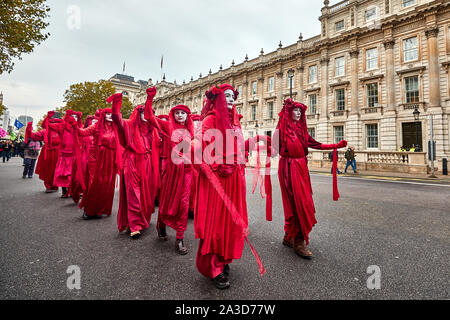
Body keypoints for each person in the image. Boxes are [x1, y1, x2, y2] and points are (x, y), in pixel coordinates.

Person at [194, 84, 269, 290]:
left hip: (235, 179)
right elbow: (196, 149)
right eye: (226, 95)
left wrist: (256, 141)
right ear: (217, 98)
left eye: (233, 96)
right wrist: (215, 166)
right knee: (216, 224)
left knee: (230, 224)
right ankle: (213, 267)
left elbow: (238, 147)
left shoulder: (235, 123)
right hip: (218, 180)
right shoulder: (210, 120)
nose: (231, 99)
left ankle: (224, 260)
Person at [273, 98, 347, 259]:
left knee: (303, 202)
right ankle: (298, 240)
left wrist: (336, 146)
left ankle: (289, 236)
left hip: (301, 168)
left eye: (301, 111)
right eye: (295, 110)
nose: (299, 113)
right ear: (288, 112)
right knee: (297, 204)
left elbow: (317, 145)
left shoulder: (302, 130)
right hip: (288, 168)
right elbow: (273, 148)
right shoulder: (282, 128)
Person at [110, 88, 161, 239]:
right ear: (137, 114)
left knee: (146, 194)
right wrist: (117, 103)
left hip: (148, 164)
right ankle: (134, 225)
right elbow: (116, 119)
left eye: (149, 112)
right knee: (134, 194)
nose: (146, 115)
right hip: (132, 163)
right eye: (143, 112)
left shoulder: (153, 130)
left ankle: (142, 219)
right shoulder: (129, 125)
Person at [149, 104, 194, 255]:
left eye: (183, 113)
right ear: (173, 115)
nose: (180, 115)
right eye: (177, 113)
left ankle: (179, 238)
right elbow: (150, 117)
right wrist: (149, 100)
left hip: (186, 171)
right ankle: (161, 225)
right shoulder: (167, 126)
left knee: (183, 204)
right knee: (167, 200)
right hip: (171, 171)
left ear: (188, 115)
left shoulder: (190, 131)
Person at [76, 109, 120, 220]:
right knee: (94, 183)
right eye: (108, 113)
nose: (110, 116)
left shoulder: (116, 128)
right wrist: (73, 124)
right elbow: (82, 132)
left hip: (110, 158)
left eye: (112, 113)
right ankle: (89, 209)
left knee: (106, 184)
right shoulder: (96, 126)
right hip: (96, 157)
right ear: (103, 115)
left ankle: (100, 208)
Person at [47, 110, 83, 198]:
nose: (73, 118)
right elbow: (47, 125)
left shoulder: (78, 127)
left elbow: (82, 131)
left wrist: (78, 118)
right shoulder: (61, 126)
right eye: (71, 116)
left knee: (74, 174)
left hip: (74, 155)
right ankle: (64, 191)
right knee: (62, 174)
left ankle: (74, 191)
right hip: (64, 155)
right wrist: (48, 118)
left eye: (75, 117)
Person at [25, 112, 63, 193]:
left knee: (56, 169)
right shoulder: (46, 131)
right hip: (48, 152)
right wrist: (28, 129)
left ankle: (53, 185)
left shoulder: (61, 130)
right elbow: (33, 136)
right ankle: (49, 186)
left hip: (58, 152)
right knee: (48, 169)